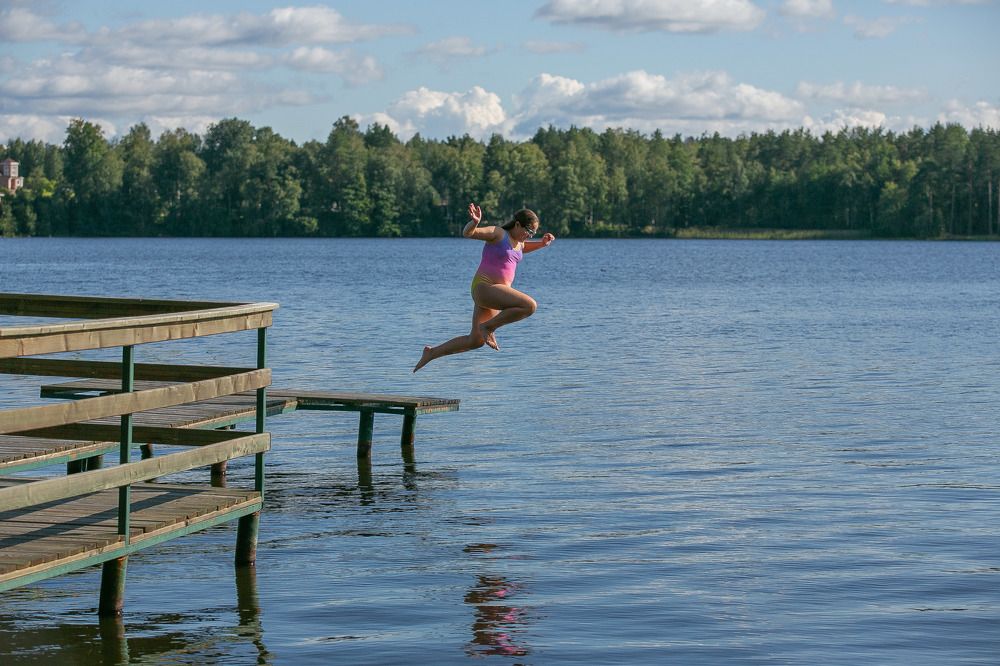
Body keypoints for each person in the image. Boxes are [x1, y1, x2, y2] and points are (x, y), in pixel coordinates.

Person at [413, 203, 555, 372]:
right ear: (517, 224)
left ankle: (431, 353)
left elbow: (522, 249)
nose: (529, 236)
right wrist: (474, 222)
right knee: (529, 305)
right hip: (485, 287)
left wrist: (541, 244)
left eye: (533, 233)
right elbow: (469, 233)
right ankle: (489, 327)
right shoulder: (498, 233)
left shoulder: (519, 243)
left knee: (476, 341)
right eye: (529, 231)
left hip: (495, 294)